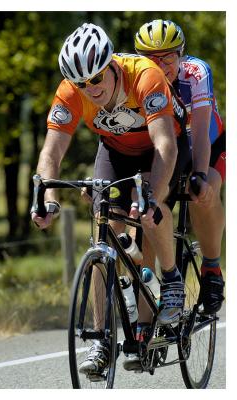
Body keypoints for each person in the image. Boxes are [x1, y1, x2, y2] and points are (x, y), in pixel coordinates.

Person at [31, 22, 190, 375]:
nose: (91, 89)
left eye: (97, 79)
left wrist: (151, 195)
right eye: (82, 84)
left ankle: (170, 278)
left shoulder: (144, 76)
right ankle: (102, 338)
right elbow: (51, 152)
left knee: (152, 209)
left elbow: (166, 145)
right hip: (116, 151)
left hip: (161, 147)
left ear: (112, 66)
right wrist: (48, 198)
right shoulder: (70, 92)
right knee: (103, 229)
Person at [134, 19, 225, 316]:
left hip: (206, 139)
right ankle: (146, 318)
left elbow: (200, 132)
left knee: (203, 188)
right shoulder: (136, 78)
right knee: (149, 202)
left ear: (181, 54)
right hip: (170, 144)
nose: (160, 64)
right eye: (151, 58)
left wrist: (199, 175)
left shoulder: (196, 72)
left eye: (168, 57)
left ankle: (211, 267)